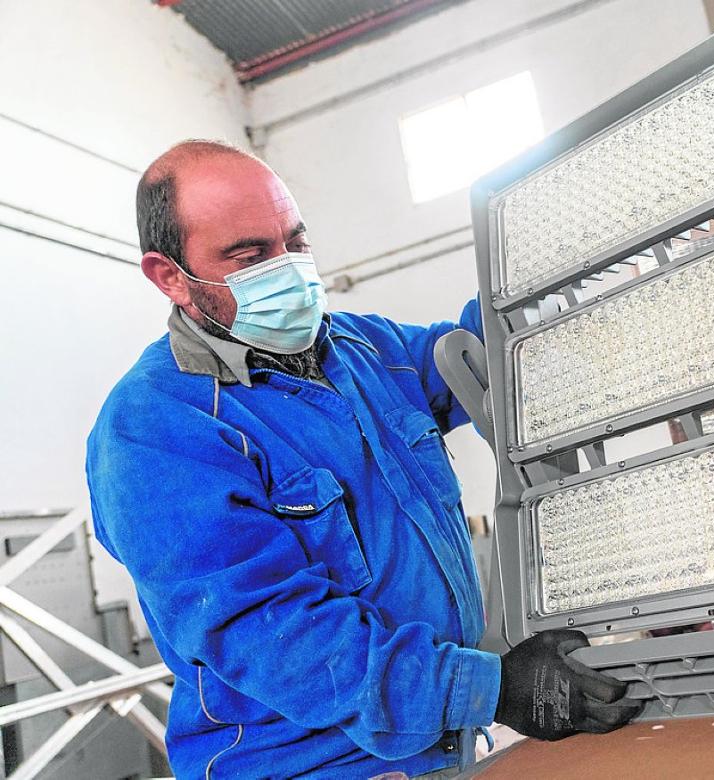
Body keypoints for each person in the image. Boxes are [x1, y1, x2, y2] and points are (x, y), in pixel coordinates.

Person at [86, 140, 641, 779]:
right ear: (169, 275)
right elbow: (275, 636)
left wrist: (550, 262)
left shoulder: (362, 350)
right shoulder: (155, 429)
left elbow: (477, 358)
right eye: (251, 256)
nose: (288, 269)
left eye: (296, 242)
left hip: (441, 747)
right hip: (307, 768)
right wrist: (492, 689)